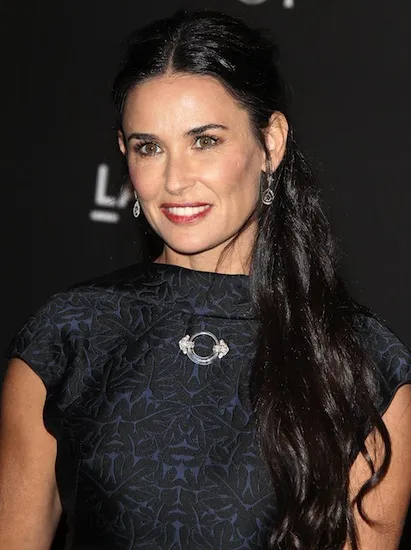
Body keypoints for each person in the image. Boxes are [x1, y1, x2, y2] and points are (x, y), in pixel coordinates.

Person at [0, 9, 410, 550]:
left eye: (205, 141)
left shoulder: (363, 364)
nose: (175, 180)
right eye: (149, 147)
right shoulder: (67, 338)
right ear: (125, 153)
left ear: (271, 142)